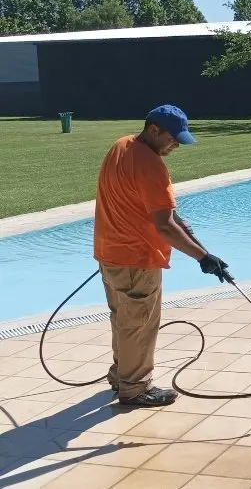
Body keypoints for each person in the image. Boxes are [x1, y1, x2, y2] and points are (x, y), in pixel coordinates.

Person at [93, 104, 230, 407]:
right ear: (153, 130)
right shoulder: (151, 165)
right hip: (136, 257)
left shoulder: (121, 146)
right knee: (140, 324)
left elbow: (161, 212)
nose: (176, 144)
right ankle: (135, 388)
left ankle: (121, 375)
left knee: (124, 319)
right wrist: (203, 258)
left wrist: (184, 228)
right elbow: (164, 227)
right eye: (172, 138)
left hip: (110, 253)